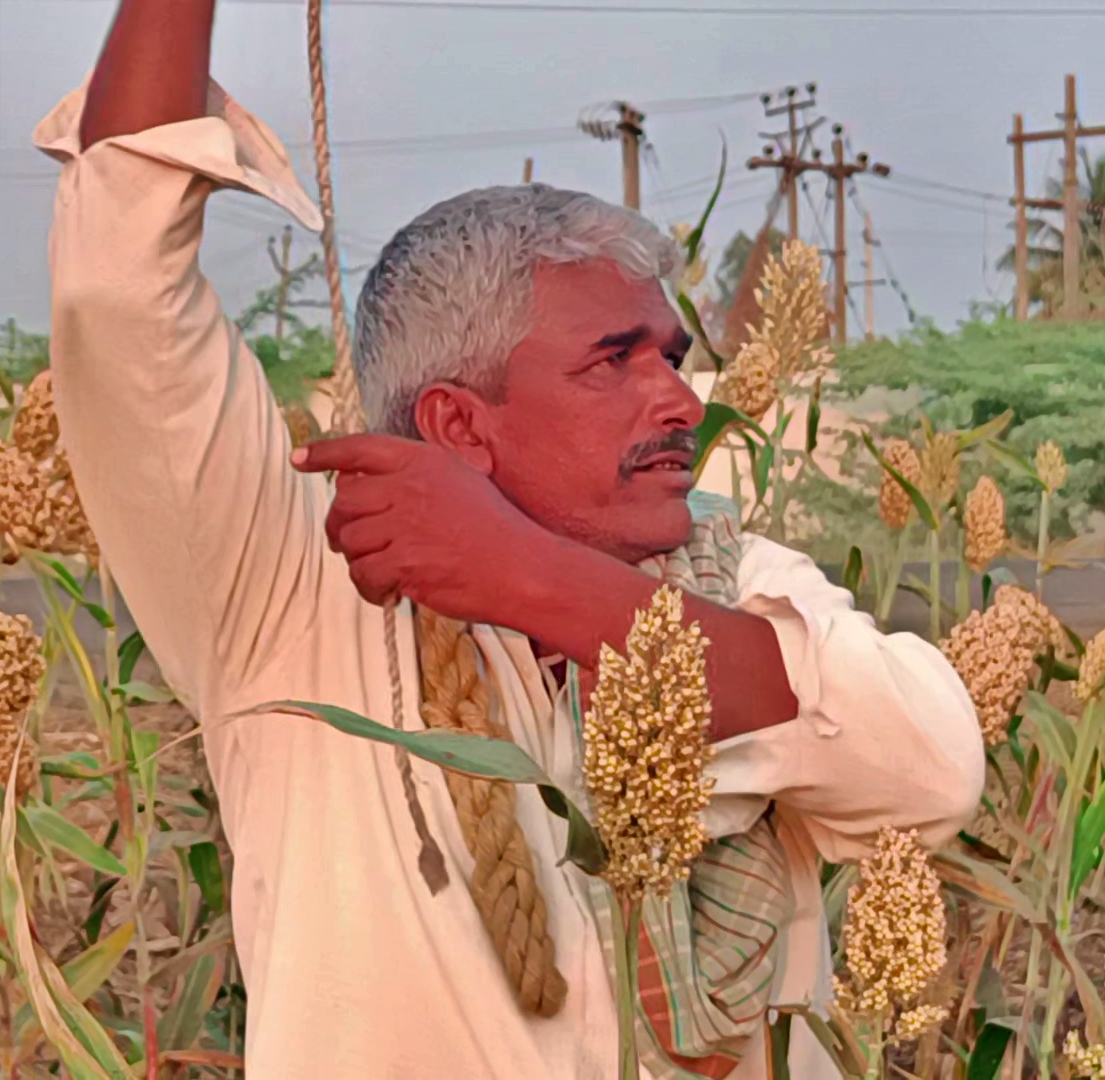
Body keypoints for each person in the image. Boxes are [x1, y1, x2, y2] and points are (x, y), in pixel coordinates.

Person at [35, 1, 984, 1076]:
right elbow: (116, 276)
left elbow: (930, 769)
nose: (681, 400)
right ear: (456, 426)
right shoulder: (294, 593)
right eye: (613, 360)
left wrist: (527, 575)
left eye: (671, 355)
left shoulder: (739, 580)